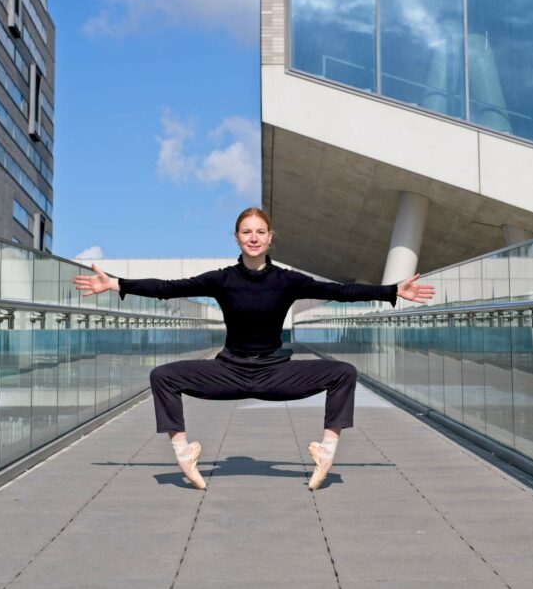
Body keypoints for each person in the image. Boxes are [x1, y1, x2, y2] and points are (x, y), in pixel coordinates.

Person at [74, 208, 434, 490]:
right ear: (236, 238)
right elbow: (169, 287)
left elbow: (340, 291)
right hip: (228, 372)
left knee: (343, 373)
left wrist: (392, 291)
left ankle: (327, 449)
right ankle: (183, 452)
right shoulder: (222, 279)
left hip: (275, 373)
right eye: (246, 232)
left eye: (260, 231)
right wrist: (116, 283)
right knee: (162, 377)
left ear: (270, 237)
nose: (253, 237)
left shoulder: (287, 280)